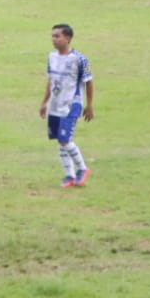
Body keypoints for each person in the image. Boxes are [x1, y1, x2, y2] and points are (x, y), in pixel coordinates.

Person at [42, 24, 94, 187]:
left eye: (57, 36)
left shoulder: (80, 59)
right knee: (59, 139)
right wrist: (44, 102)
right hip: (55, 105)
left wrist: (90, 105)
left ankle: (82, 168)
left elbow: (89, 82)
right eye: (53, 36)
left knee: (65, 139)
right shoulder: (51, 57)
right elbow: (50, 81)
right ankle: (69, 175)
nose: (54, 39)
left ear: (68, 38)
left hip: (72, 104)